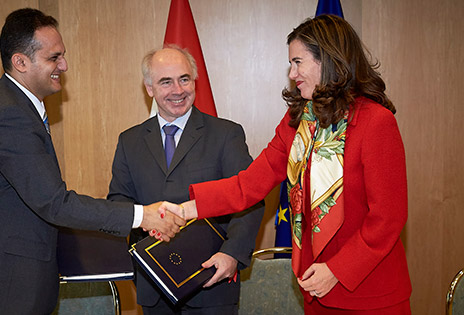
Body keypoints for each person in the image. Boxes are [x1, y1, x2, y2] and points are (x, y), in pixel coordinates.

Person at [0, 8, 184, 315]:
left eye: (62, 55)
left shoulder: (15, 103)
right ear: (20, 62)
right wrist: (141, 216)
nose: (64, 65)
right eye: (54, 58)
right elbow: (53, 203)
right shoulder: (9, 115)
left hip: (7, 279)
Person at [163, 15, 412, 314]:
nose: (292, 73)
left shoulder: (376, 122)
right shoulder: (297, 122)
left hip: (369, 293)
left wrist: (337, 269)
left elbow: (387, 218)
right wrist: (185, 209)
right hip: (315, 291)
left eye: (297, 62)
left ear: (328, 60)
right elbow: (250, 183)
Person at [107, 46, 264, 314]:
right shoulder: (129, 141)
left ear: (194, 80)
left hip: (212, 283)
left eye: (184, 79)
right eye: (165, 82)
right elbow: (119, 202)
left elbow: (250, 199)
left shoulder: (226, 134)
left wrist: (232, 255)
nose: (178, 90)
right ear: (149, 88)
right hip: (153, 286)